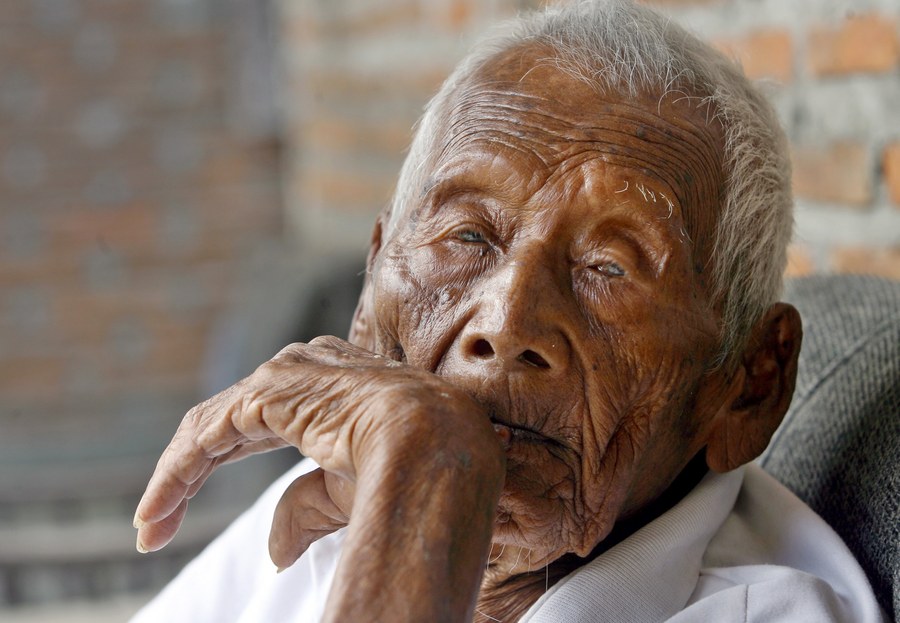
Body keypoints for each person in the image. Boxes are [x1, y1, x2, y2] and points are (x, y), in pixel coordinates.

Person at [131, 1, 886, 621]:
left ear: (749, 385)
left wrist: (429, 480)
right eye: (468, 236)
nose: (505, 322)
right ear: (372, 285)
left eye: (608, 268)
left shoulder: (771, 613)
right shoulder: (347, 491)